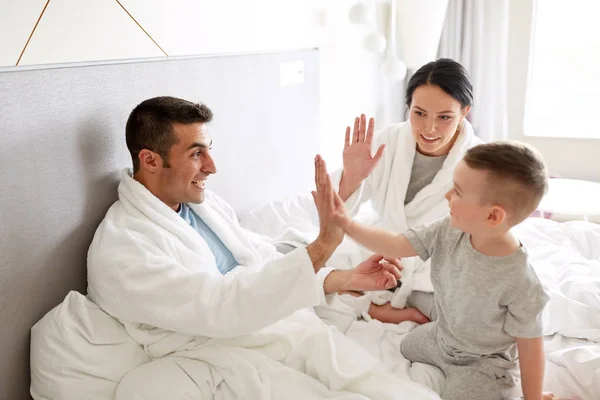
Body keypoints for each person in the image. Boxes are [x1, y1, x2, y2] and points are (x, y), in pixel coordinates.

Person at [86, 96, 437, 399]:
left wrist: (341, 278)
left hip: (281, 325)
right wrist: (321, 247)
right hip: (223, 349)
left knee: (380, 382)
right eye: (197, 154)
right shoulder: (124, 248)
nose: (212, 166)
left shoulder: (201, 205)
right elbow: (218, 306)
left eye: (209, 150)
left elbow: (261, 257)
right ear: (150, 160)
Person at [315, 141, 556, 400]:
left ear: (493, 216)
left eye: (459, 192)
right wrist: (347, 224)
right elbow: (396, 243)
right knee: (406, 346)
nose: (447, 195)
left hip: (482, 363)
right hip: (442, 337)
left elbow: (531, 348)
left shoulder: (521, 283)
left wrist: (534, 397)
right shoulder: (448, 230)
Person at [331, 58, 484, 324]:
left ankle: (389, 306)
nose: (429, 128)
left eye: (444, 117)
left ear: (464, 112)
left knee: (473, 317)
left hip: (438, 264)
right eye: (419, 113)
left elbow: (481, 235)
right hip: (382, 251)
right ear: (408, 108)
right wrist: (352, 178)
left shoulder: (480, 161)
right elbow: (336, 212)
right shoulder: (386, 142)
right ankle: (381, 308)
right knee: (309, 269)